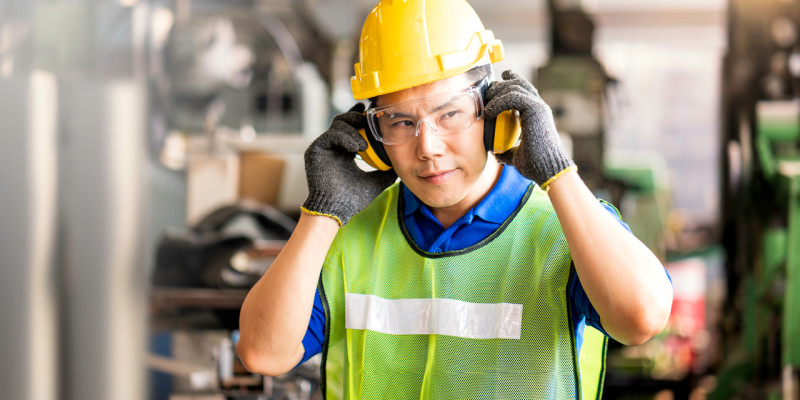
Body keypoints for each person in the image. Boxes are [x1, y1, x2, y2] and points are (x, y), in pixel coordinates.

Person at [237, 0, 673, 398]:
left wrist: (558, 173)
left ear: (493, 113)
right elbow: (263, 354)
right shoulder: (347, 238)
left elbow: (641, 320)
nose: (428, 147)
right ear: (372, 136)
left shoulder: (564, 228)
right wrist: (320, 215)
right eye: (400, 122)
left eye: (449, 113)